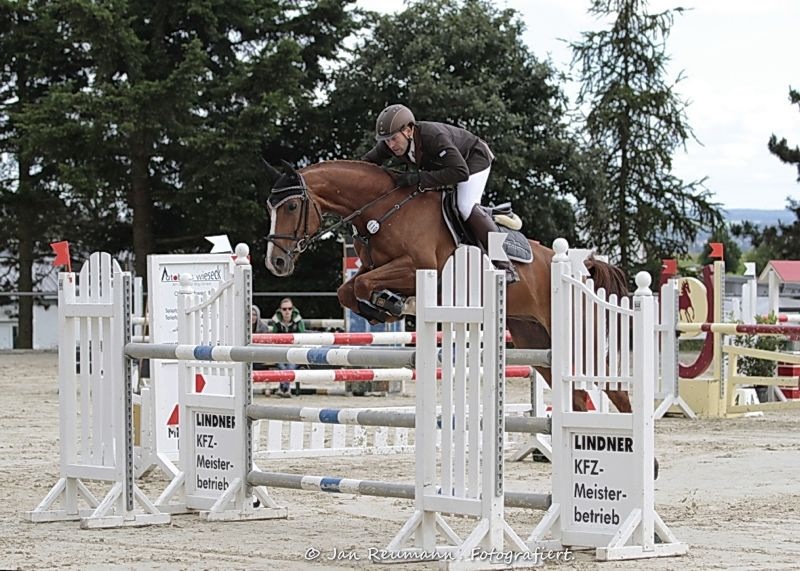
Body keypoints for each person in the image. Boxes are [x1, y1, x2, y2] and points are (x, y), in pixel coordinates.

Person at [361, 103, 518, 283]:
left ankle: (505, 265)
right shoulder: (390, 144)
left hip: (472, 160)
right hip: (446, 168)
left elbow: (460, 172)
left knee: (465, 205)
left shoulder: (432, 136)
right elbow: (365, 165)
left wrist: (418, 179)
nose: (391, 145)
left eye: (394, 139)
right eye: (387, 140)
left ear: (408, 130)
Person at [269, 297, 305, 397]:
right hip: (280, 351)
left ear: (292, 309)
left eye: (289, 308)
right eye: (284, 309)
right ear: (280, 310)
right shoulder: (276, 320)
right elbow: (273, 338)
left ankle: (283, 388)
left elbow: (303, 337)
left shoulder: (298, 320)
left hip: (295, 351)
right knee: (282, 365)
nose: (287, 311)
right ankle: (286, 388)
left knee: (289, 366)